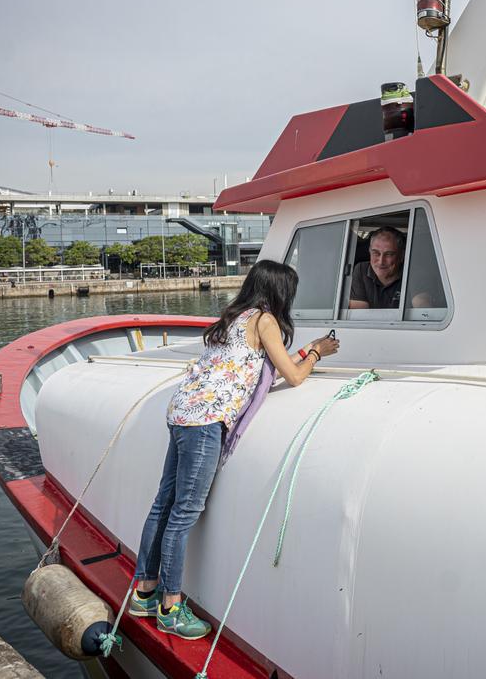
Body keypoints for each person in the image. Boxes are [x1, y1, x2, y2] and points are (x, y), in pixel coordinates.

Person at [127, 260, 339, 640]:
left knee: (163, 504)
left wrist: (304, 351)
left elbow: (257, 363)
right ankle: (171, 608)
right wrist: (318, 353)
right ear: (279, 291)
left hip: (182, 412)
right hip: (207, 420)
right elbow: (292, 376)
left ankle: (143, 593)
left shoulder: (234, 316)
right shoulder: (265, 320)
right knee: (184, 512)